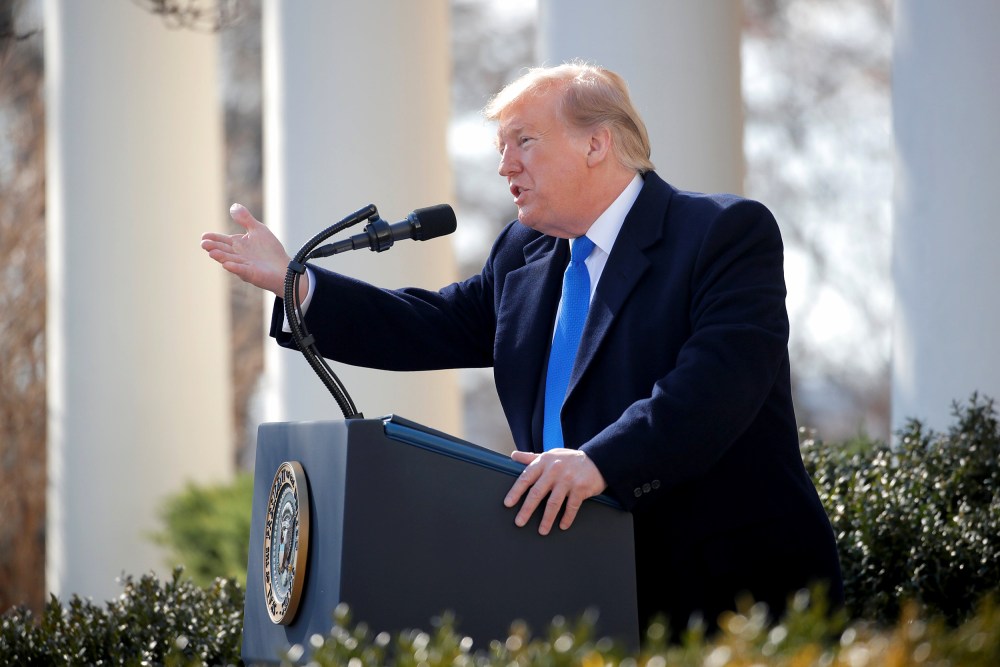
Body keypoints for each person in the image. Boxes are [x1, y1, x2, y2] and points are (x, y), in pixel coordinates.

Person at [202, 62, 843, 632]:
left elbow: (718, 384)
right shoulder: (524, 253)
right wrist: (297, 284)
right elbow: (431, 323)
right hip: (577, 590)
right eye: (501, 148)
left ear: (596, 143)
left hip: (729, 595)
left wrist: (600, 463)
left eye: (524, 141)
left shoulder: (721, 233)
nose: (505, 165)